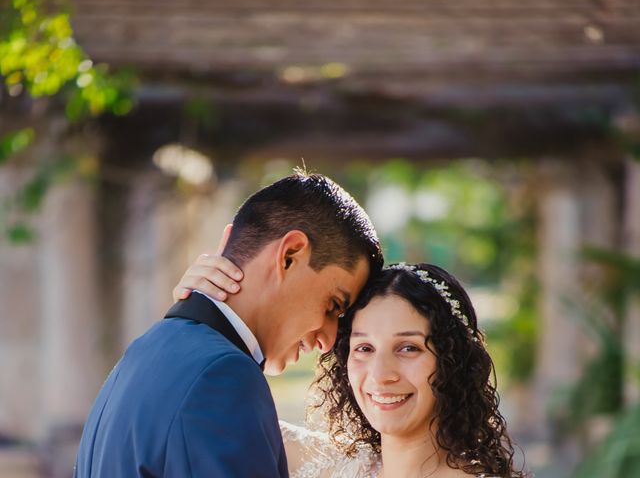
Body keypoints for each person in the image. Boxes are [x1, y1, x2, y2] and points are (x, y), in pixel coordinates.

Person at [74, 172, 383, 477]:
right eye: (332, 305)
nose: (328, 341)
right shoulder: (223, 377)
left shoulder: (145, 350)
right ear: (289, 255)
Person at [177, 262, 529, 477]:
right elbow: (190, 405)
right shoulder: (317, 463)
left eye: (408, 348)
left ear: (453, 362)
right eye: (364, 348)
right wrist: (203, 304)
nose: (381, 374)